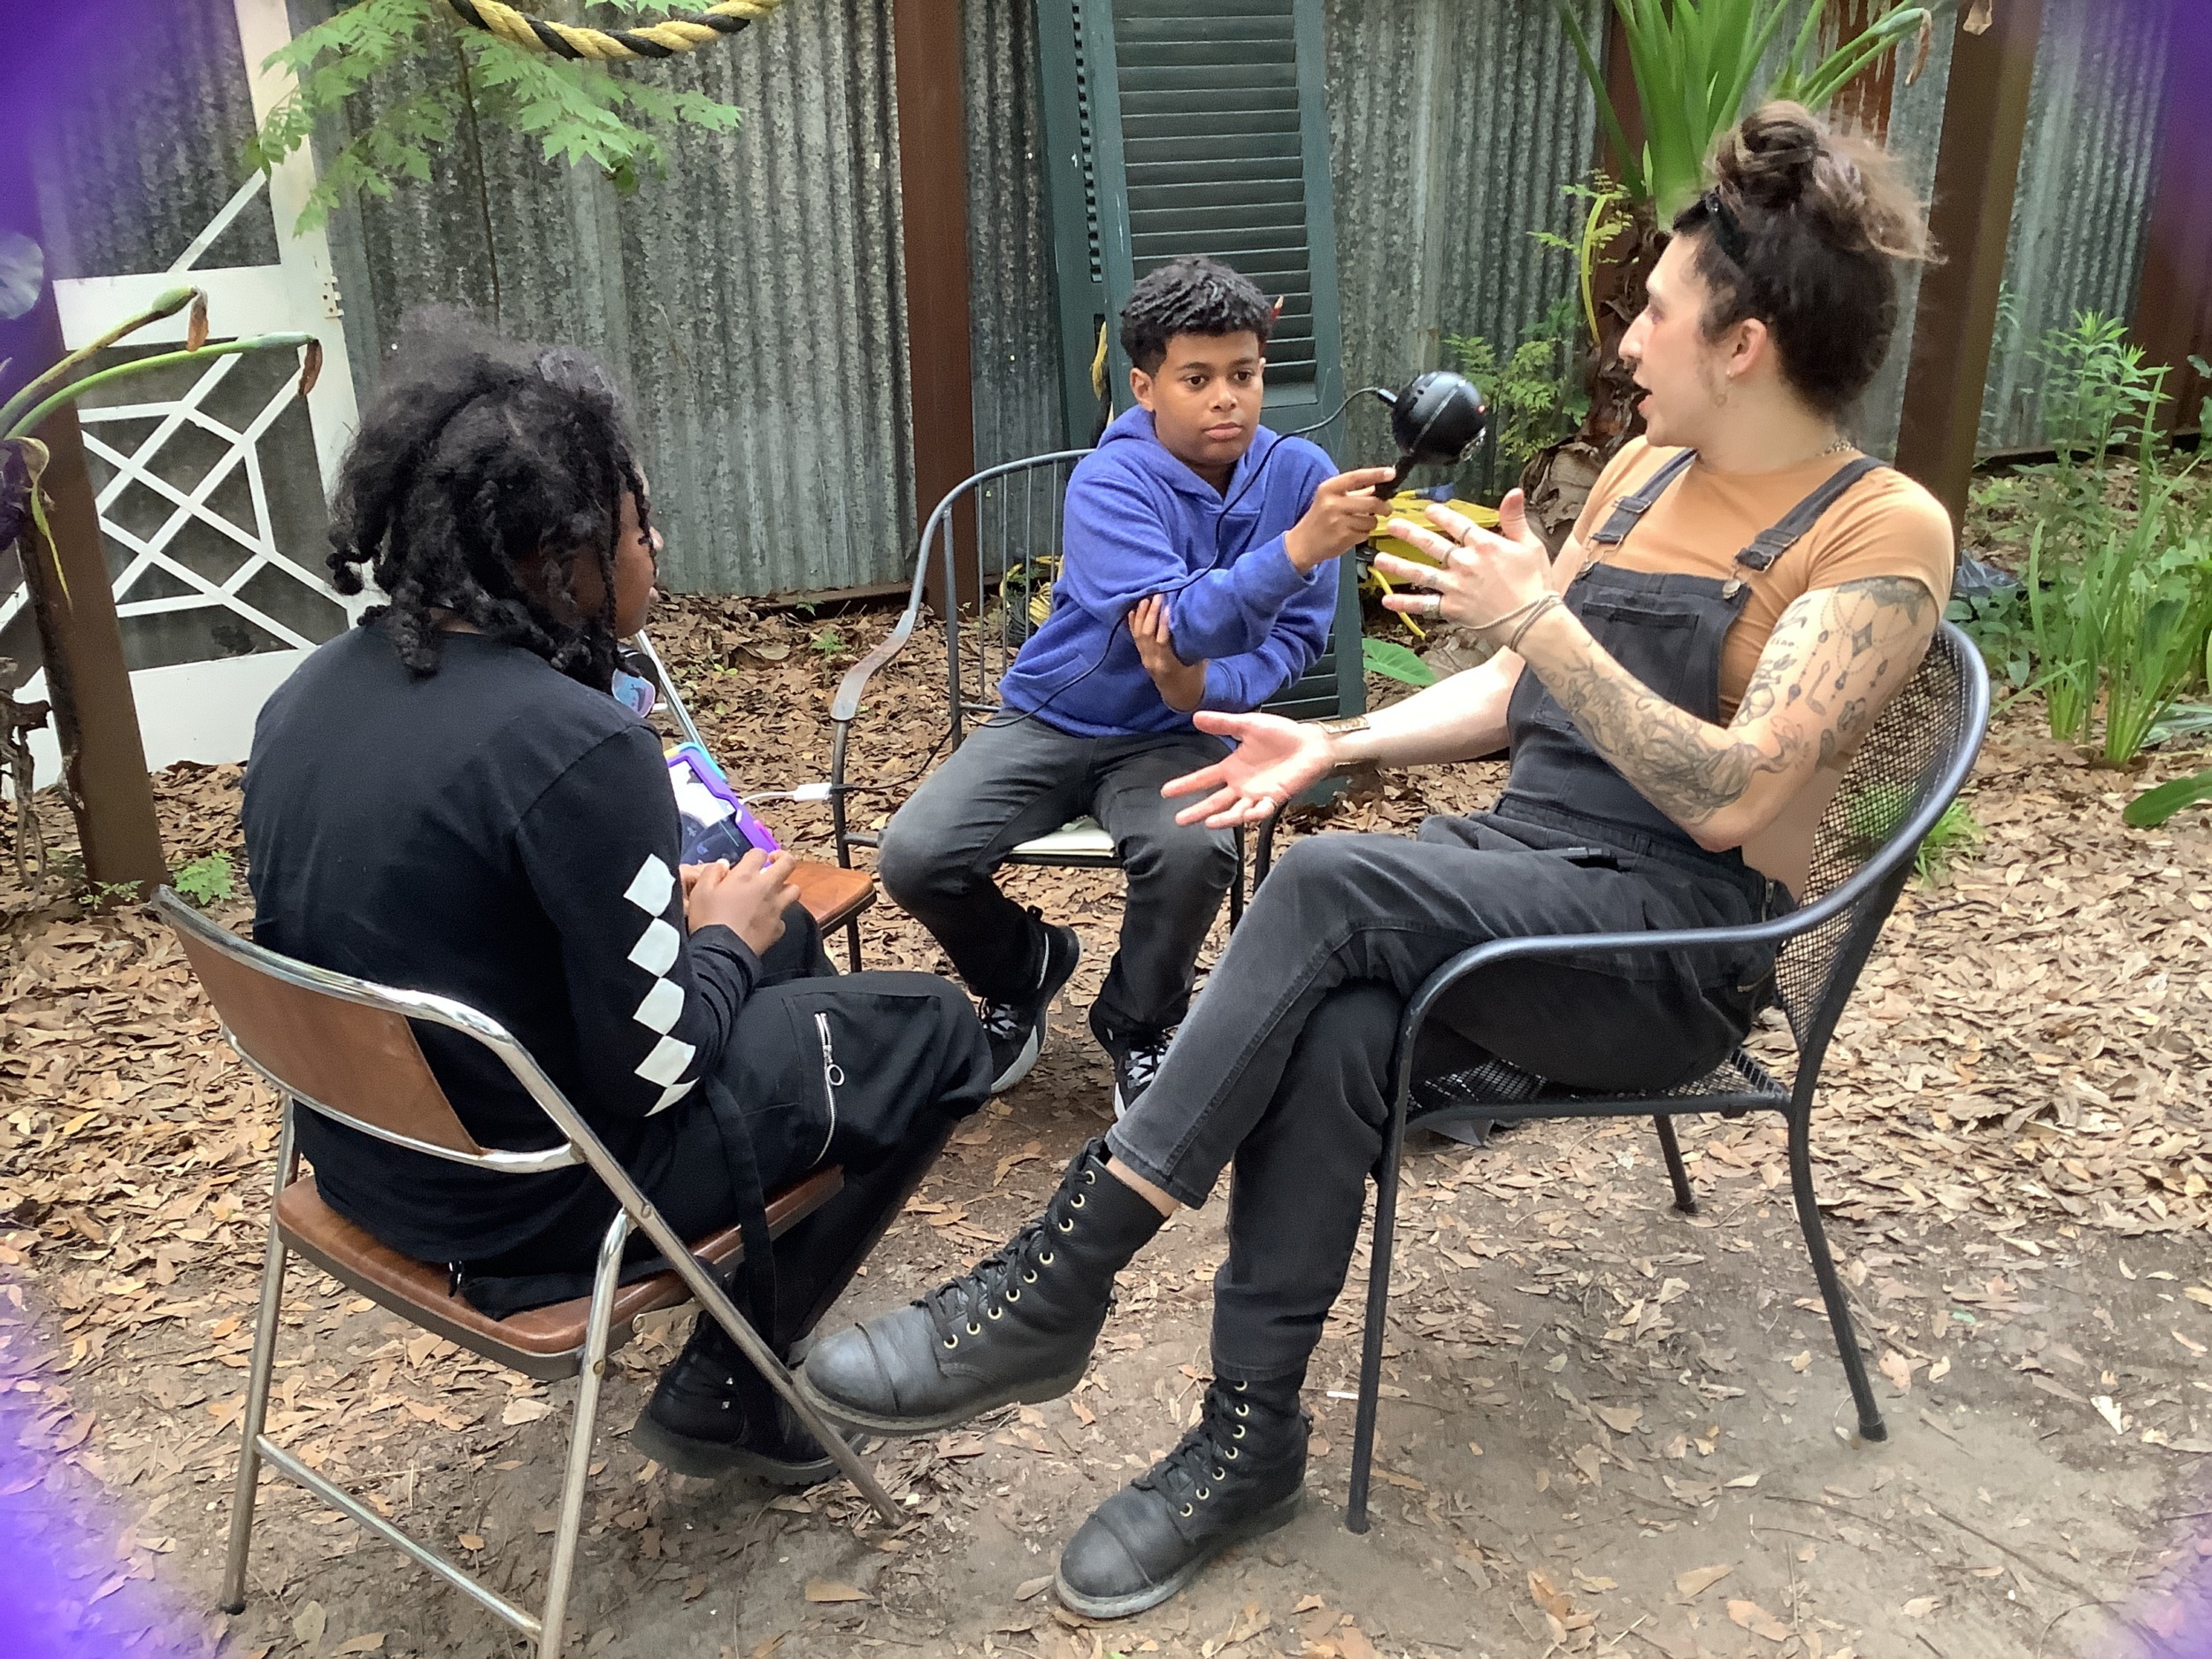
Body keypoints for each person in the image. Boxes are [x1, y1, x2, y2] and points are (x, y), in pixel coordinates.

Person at [799, 104, 1956, 1616]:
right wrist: (1333, 745)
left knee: (1334, 892)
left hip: (1661, 948)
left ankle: (1057, 1282)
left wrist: (1539, 614)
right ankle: (1244, 1439)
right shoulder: (1641, 483)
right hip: (1522, 871)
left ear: (1743, 345)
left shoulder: (1879, 531)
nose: (1627, 349)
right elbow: (1518, 701)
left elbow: (1736, 800)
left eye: (1656, 317)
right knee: (1338, 1010)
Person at [241, 323, 992, 1486]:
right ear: (561, 554)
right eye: (639, 528)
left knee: (788, 925)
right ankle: (731, 1383)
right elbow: (656, 1071)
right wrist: (719, 945)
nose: (659, 548)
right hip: (532, 1207)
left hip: (369, 1158)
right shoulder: (576, 743)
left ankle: (756, 1283)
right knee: (937, 1029)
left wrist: (722, 935)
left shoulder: (306, 695)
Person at [874, 257, 1391, 1115]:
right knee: (918, 856)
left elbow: (1297, 636)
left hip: (1177, 734)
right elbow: (1178, 619)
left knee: (1193, 851)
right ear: (1146, 387)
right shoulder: (1110, 482)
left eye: (1244, 374)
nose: (1225, 397)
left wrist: (1203, 689)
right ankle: (1025, 967)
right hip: (1054, 718)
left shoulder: (1299, 478)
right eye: (1197, 379)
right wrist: (1295, 551)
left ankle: (1141, 1024)